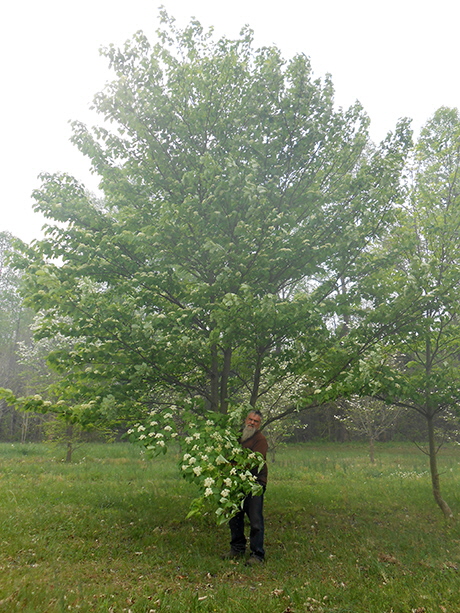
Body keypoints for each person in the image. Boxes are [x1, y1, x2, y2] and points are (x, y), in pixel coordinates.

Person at [223, 409, 268, 565]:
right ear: (245, 420)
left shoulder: (260, 440)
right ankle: (237, 548)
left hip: (255, 482)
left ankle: (257, 554)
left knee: (255, 519)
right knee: (234, 516)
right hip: (236, 481)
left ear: (259, 424)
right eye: (250, 419)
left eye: (255, 421)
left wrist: (238, 464)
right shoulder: (237, 437)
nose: (251, 423)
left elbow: (256, 461)